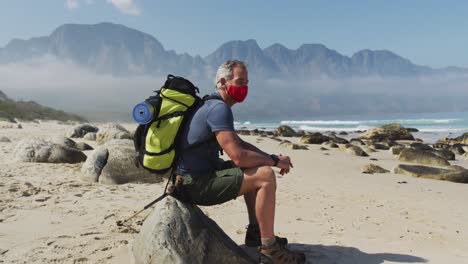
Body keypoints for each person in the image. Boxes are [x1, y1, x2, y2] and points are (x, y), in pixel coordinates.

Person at [177, 59, 306, 263]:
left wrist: (272, 158)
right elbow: (237, 155)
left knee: (258, 166)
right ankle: (270, 249)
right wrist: (272, 162)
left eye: (246, 83)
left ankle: (256, 232)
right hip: (194, 184)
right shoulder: (218, 109)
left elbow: (240, 143)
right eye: (240, 82)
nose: (244, 87)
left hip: (191, 178)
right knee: (264, 175)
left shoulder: (211, 104)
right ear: (222, 82)